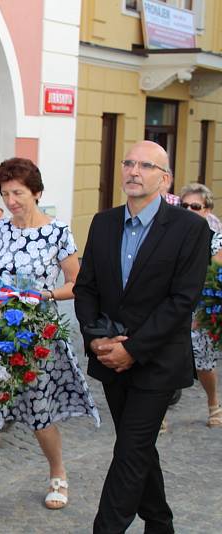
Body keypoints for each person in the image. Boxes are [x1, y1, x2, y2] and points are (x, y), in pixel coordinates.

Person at [0, 157, 100, 533]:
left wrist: (43, 294)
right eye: (5, 193)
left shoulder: (58, 232)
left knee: (40, 415)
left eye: (18, 192)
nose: (12, 200)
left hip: (37, 336)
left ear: (36, 192)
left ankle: (57, 472)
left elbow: (76, 284)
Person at [74, 141, 210, 533]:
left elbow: (181, 300)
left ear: (164, 179)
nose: (134, 171)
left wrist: (134, 349)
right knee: (140, 448)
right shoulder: (104, 222)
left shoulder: (190, 228)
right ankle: (160, 522)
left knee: (130, 451)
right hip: (110, 359)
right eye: (128, 163)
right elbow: (87, 289)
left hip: (158, 362)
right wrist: (95, 339)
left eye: (146, 165)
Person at [179, 183, 222, 427]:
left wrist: (201, 313)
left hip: (200, 309)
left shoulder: (216, 241)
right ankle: (158, 413)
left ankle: (213, 403)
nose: (189, 210)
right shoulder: (171, 237)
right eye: (184, 205)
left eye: (195, 206)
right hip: (172, 307)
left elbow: (213, 277)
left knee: (204, 364)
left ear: (207, 210)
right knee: (168, 360)